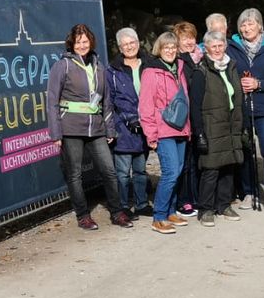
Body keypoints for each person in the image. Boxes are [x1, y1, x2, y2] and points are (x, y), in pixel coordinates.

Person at [47, 24, 133, 230]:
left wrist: (110, 129)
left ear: (91, 42)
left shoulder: (98, 66)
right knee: (75, 174)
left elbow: (106, 101)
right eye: (78, 42)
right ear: (72, 44)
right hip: (70, 128)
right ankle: (83, 215)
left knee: (109, 171)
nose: (82, 45)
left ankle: (116, 212)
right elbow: (52, 100)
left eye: (85, 41)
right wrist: (56, 133)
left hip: (95, 128)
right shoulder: (62, 66)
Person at [227, 8, 264, 215]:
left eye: (251, 24)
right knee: (245, 151)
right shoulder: (231, 47)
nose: (246, 28)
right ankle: (248, 192)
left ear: (260, 26)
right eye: (243, 24)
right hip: (241, 107)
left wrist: (258, 84)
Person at [189, 31, 245, 227]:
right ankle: (206, 209)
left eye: (220, 45)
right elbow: (194, 105)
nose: (218, 50)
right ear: (206, 49)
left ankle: (224, 205)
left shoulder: (231, 67)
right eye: (213, 46)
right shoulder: (201, 71)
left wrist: (243, 124)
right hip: (211, 126)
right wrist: (199, 133)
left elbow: (237, 98)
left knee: (228, 167)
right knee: (210, 169)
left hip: (231, 125)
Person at [139, 32, 191, 234]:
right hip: (163, 130)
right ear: (159, 49)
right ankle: (158, 216)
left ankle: (170, 211)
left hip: (180, 128)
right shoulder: (151, 72)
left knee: (177, 172)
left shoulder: (179, 67)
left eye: (173, 47)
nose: (170, 51)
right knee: (170, 172)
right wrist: (151, 134)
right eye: (165, 47)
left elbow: (184, 100)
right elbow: (146, 106)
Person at [106, 27, 153, 220]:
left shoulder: (149, 64)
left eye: (132, 42)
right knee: (123, 172)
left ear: (138, 42)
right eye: (125, 44)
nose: (129, 46)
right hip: (123, 127)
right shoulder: (113, 70)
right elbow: (111, 99)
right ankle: (124, 206)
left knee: (141, 170)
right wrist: (126, 118)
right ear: (119, 47)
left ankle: (141, 204)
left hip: (145, 125)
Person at [172, 21, 202, 218]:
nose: (189, 41)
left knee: (197, 160)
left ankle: (197, 196)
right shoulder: (179, 62)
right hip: (185, 118)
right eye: (185, 38)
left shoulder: (200, 58)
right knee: (185, 162)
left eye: (191, 37)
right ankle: (184, 200)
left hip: (199, 117)